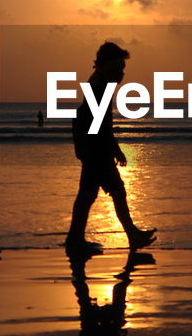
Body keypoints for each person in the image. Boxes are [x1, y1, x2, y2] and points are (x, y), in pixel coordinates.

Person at [64, 41, 156, 256]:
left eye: (123, 68)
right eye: (118, 66)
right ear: (106, 64)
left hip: (93, 147)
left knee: (91, 194)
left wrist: (104, 147)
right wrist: (112, 149)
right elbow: (97, 122)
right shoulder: (100, 85)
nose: (122, 72)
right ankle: (78, 240)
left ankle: (76, 238)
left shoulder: (99, 82)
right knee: (106, 192)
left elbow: (90, 119)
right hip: (96, 149)